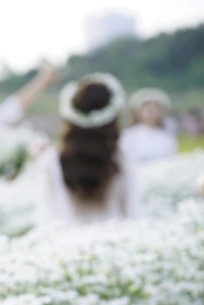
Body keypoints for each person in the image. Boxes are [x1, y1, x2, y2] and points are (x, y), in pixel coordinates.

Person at [37, 73, 140, 223]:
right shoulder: (121, 155)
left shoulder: (51, 159)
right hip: (116, 237)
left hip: (66, 241)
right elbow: (132, 209)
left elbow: (48, 213)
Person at [120, 88, 177, 165]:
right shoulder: (129, 135)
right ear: (138, 112)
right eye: (147, 108)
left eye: (155, 108)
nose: (151, 111)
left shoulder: (166, 137)